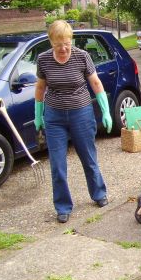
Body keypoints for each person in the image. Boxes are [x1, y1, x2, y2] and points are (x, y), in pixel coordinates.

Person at [34, 20, 112, 223]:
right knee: (57, 165)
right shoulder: (43, 60)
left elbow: (95, 82)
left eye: (66, 43)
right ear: (51, 42)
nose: (63, 48)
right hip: (54, 117)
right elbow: (41, 88)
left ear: (71, 40)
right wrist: (38, 114)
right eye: (58, 44)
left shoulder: (81, 56)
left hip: (81, 114)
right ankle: (62, 206)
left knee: (89, 157)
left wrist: (106, 111)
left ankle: (99, 193)